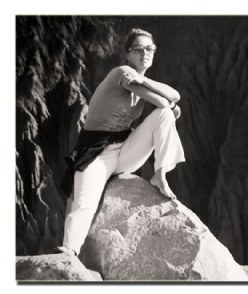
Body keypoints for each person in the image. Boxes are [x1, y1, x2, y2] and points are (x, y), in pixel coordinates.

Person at [55, 28, 185, 256]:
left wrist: (167, 100)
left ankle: (160, 174)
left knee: (162, 117)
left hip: (124, 150)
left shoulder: (141, 81)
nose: (145, 53)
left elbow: (175, 96)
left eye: (150, 48)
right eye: (139, 49)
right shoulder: (121, 73)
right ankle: (69, 251)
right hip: (96, 153)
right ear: (128, 55)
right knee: (85, 202)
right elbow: (167, 102)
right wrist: (171, 105)